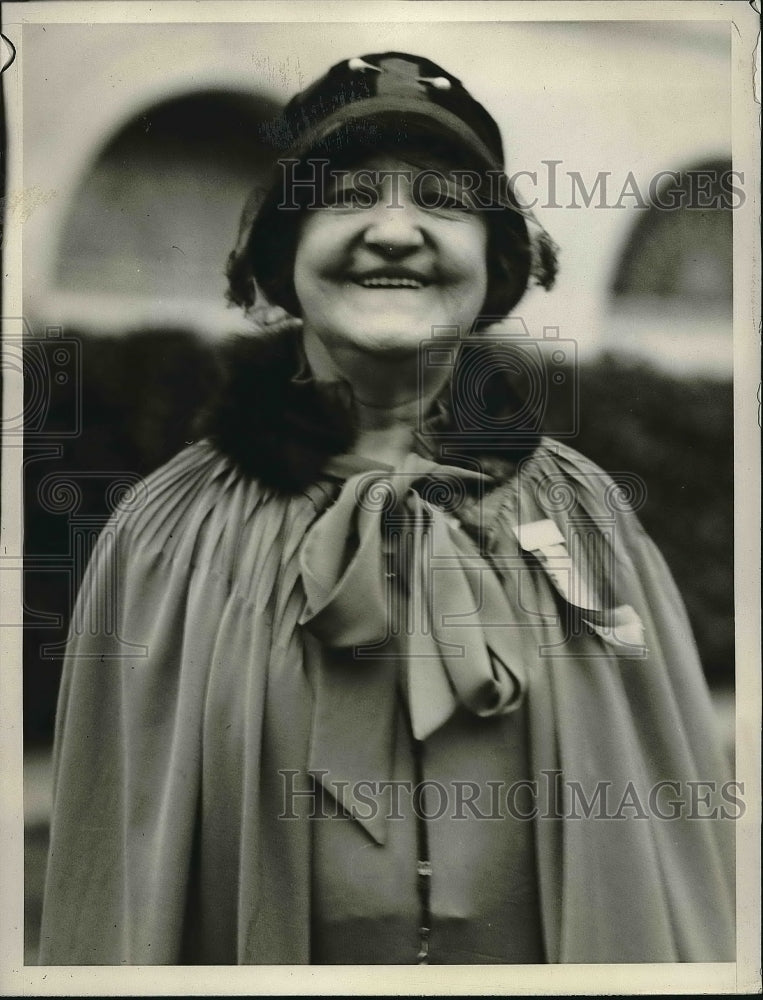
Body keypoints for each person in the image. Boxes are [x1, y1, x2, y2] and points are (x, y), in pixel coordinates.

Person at [39, 52, 735, 965]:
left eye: (444, 201)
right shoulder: (166, 542)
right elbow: (121, 889)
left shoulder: (587, 523)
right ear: (282, 250)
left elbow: (664, 869)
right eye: (349, 194)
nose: (395, 231)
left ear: (497, 259)